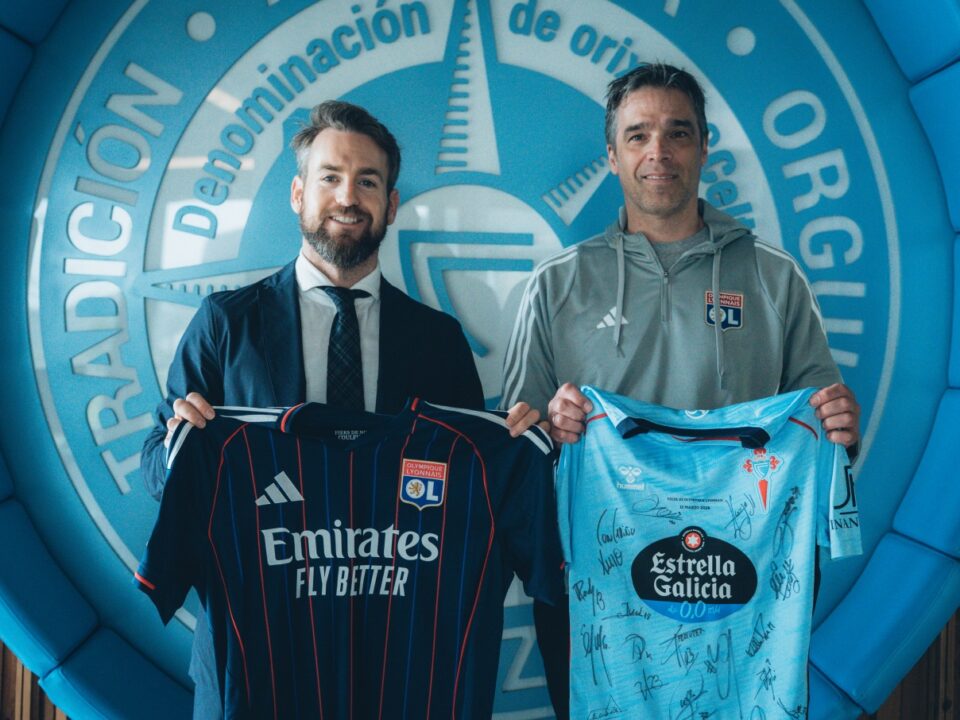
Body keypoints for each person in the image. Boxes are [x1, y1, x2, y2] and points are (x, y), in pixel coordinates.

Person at [140, 100, 538, 718]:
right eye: (330, 177)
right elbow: (156, 468)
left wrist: (513, 445)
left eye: (367, 182)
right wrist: (180, 447)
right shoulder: (226, 324)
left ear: (391, 204)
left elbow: (467, 487)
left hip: (398, 660)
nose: (348, 197)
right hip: (262, 658)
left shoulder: (437, 340)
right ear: (298, 193)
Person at [500, 63, 861, 718]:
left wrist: (840, 426)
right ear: (612, 156)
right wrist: (550, 428)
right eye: (638, 135)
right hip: (601, 589)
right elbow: (516, 446)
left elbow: (823, 436)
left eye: (678, 133)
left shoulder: (775, 278)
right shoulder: (556, 284)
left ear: (704, 147)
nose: (658, 152)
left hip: (738, 585)